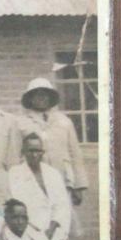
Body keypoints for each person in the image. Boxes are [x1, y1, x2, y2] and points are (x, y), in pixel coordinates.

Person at [15, 77, 89, 206]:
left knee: (63, 218)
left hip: (62, 180)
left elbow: (75, 155)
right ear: (30, 98)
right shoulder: (21, 123)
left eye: (45, 94)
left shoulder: (64, 122)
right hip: (33, 180)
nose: (42, 98)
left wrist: (79, 185)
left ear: (50, 98)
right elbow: (15, 155)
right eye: (37, 94)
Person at [8, 133, 72, 240]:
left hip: (53, 227)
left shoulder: (52, 173)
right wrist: (32, 230)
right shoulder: (14, 173)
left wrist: (51, 229)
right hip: (27, 228)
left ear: (42, 152)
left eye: (37, 150)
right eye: (30, 151)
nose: (34, 154)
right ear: (23, 152)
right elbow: (14, 206)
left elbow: (62, 205)